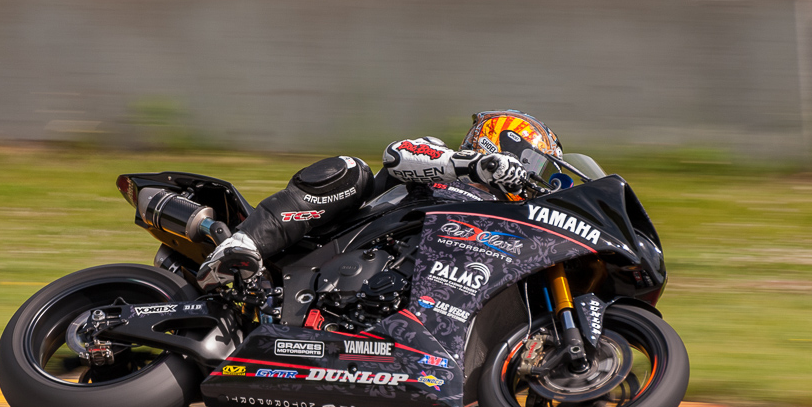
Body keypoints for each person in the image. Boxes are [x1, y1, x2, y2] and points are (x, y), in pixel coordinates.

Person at [196, 110, 563, 291]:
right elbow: (397, 154)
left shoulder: (499, 215)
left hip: (394, 288)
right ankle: (240, 245)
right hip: (331, 249)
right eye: (534, 163)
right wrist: (476, 166)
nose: (534, 177)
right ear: (500, 144)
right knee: (350, 170)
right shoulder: (443, 158)